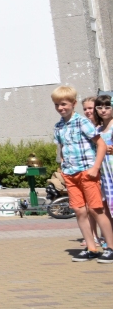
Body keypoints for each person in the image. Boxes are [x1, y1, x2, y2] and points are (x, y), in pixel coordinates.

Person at [51, 85, 113, 262]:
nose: (60, 108)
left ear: (73, 103)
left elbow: (100, 144)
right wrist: (63, 167)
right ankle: (91, 247)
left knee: (96, 209)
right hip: (71, 174)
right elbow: (63, 148)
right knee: (79, 211)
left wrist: (95, 168)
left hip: (87, 172)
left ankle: (110, 246)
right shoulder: (58, 126)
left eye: (63, 104)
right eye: (57, 105)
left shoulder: (82, 122)